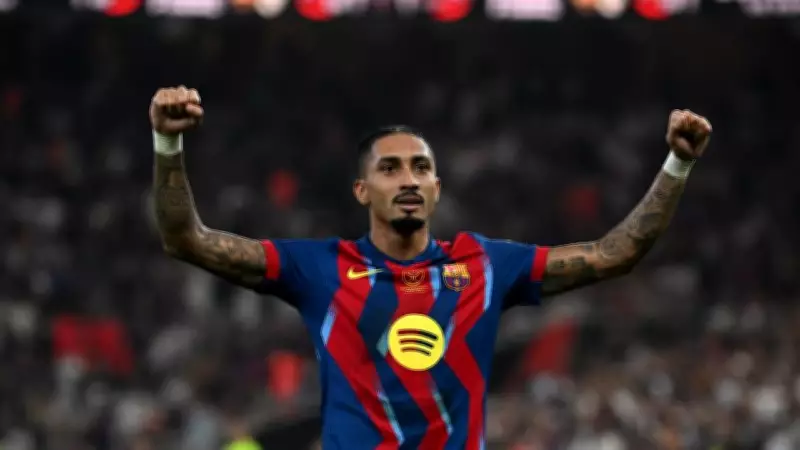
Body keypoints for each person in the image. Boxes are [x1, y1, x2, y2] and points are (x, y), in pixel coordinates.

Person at [149, 85, 712, 450]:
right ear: (362, 190)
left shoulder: (485, 265)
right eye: (390, 169)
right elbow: (187, 240)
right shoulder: (320, 267)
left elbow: (616, 253)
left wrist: (678, 164)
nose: (409, 179)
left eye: (421, 168)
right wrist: (167, 146)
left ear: (437, 189)